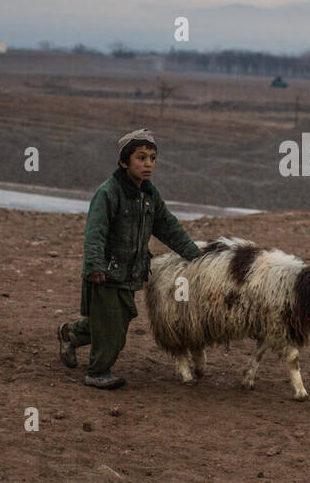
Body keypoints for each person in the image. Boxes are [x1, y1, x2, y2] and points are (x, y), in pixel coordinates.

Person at [57, 128, 203, 388]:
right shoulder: (108, 193)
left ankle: (70, 333)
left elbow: (169, 228)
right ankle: (97, 373)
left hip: (130, 273)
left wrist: (197, 257)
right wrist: (94, 266)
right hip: (104, 273)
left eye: (152, 158)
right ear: (124, 162)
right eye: (141, 158)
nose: (148, 164)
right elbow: (95, 232)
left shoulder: (149, 195)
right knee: (112, 330)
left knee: (113, 322)